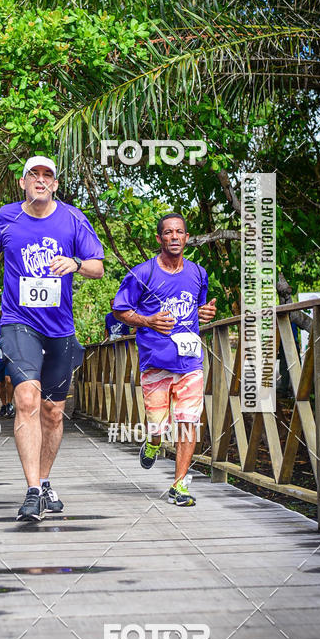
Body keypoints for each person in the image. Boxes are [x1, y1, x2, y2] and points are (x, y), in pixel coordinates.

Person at [0, 155, 105, 521]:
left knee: (52, 412)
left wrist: (76, 264)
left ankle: (46, 481)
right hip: (19, 321)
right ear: (22, 183)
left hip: (60, 328)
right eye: (33, 174)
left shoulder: (73, 218)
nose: (40, 180)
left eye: (47, 175)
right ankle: (32, 490)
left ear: (55, 184)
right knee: (27, 399)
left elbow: (98, 266)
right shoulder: (6, 217)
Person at [112, 213, 217, 506]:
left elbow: (198, 309)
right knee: (158, 425)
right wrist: (148, 320)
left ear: (186, 238)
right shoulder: (141, 274)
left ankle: (179, 485)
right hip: (155, 362)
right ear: (159, 239)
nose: (174, 236)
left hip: (189, 362)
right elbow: (119, 310)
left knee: (188, 422)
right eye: (168, 232)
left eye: (179, 232)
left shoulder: (198, 273)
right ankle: (154, 440)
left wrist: (205, 314)